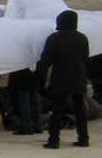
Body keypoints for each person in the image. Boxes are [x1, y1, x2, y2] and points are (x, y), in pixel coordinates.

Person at [35, 10, 90, 149]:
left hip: (61, 77)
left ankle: (54, 140)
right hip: (79, 77)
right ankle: (83, 139)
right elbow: (86, 57)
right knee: (80, 110)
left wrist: (37, 68)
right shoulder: (82, 38)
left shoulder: (55, 38)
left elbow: (47, 59)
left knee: (57, 110)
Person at [8, 68, 44, 135]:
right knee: (34, 101)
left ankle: (27, 126)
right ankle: (37, 125)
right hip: (34, 73)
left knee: (24, 103)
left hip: (23, 75)